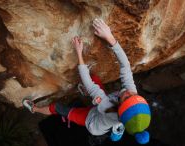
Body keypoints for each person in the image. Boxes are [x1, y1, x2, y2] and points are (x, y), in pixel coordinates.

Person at [23, 18, 151, 144]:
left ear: (121, 108)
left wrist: (79, 53)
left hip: (91, 121)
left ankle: (34, 109)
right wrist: (109, 37)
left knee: (57, 107)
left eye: (127, 97)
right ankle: (88, 96)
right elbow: (125, 65)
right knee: (94, 78)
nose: (129, 92)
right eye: (134, 96)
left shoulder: (108, 108)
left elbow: (90, 85)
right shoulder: (131, 93)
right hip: (106, 108)